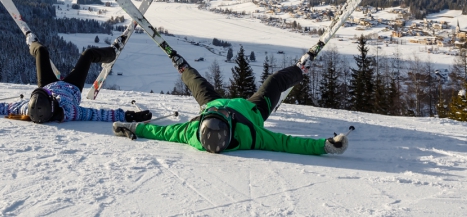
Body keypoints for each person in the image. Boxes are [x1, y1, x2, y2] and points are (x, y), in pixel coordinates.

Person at [112, 60, 349, 156]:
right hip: (252, 108)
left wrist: (130, 125)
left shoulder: (191, 132)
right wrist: (326, 145)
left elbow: (160, 132)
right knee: (275, 81)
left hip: (212, 103)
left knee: (196, 82)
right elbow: (286, 142)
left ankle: (182, 66)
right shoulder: (249, 135)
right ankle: (300, 69)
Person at [0, 34, 150, 124]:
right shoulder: (70, 111)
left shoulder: (27, 107)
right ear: (52, 104)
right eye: (48, 96)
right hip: (72, 86)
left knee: (41, 51)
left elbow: (0, 108)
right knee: (88, 54)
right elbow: (101, 115)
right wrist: (130, 116)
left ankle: (31, 41)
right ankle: (113, 52)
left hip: (48, 83)